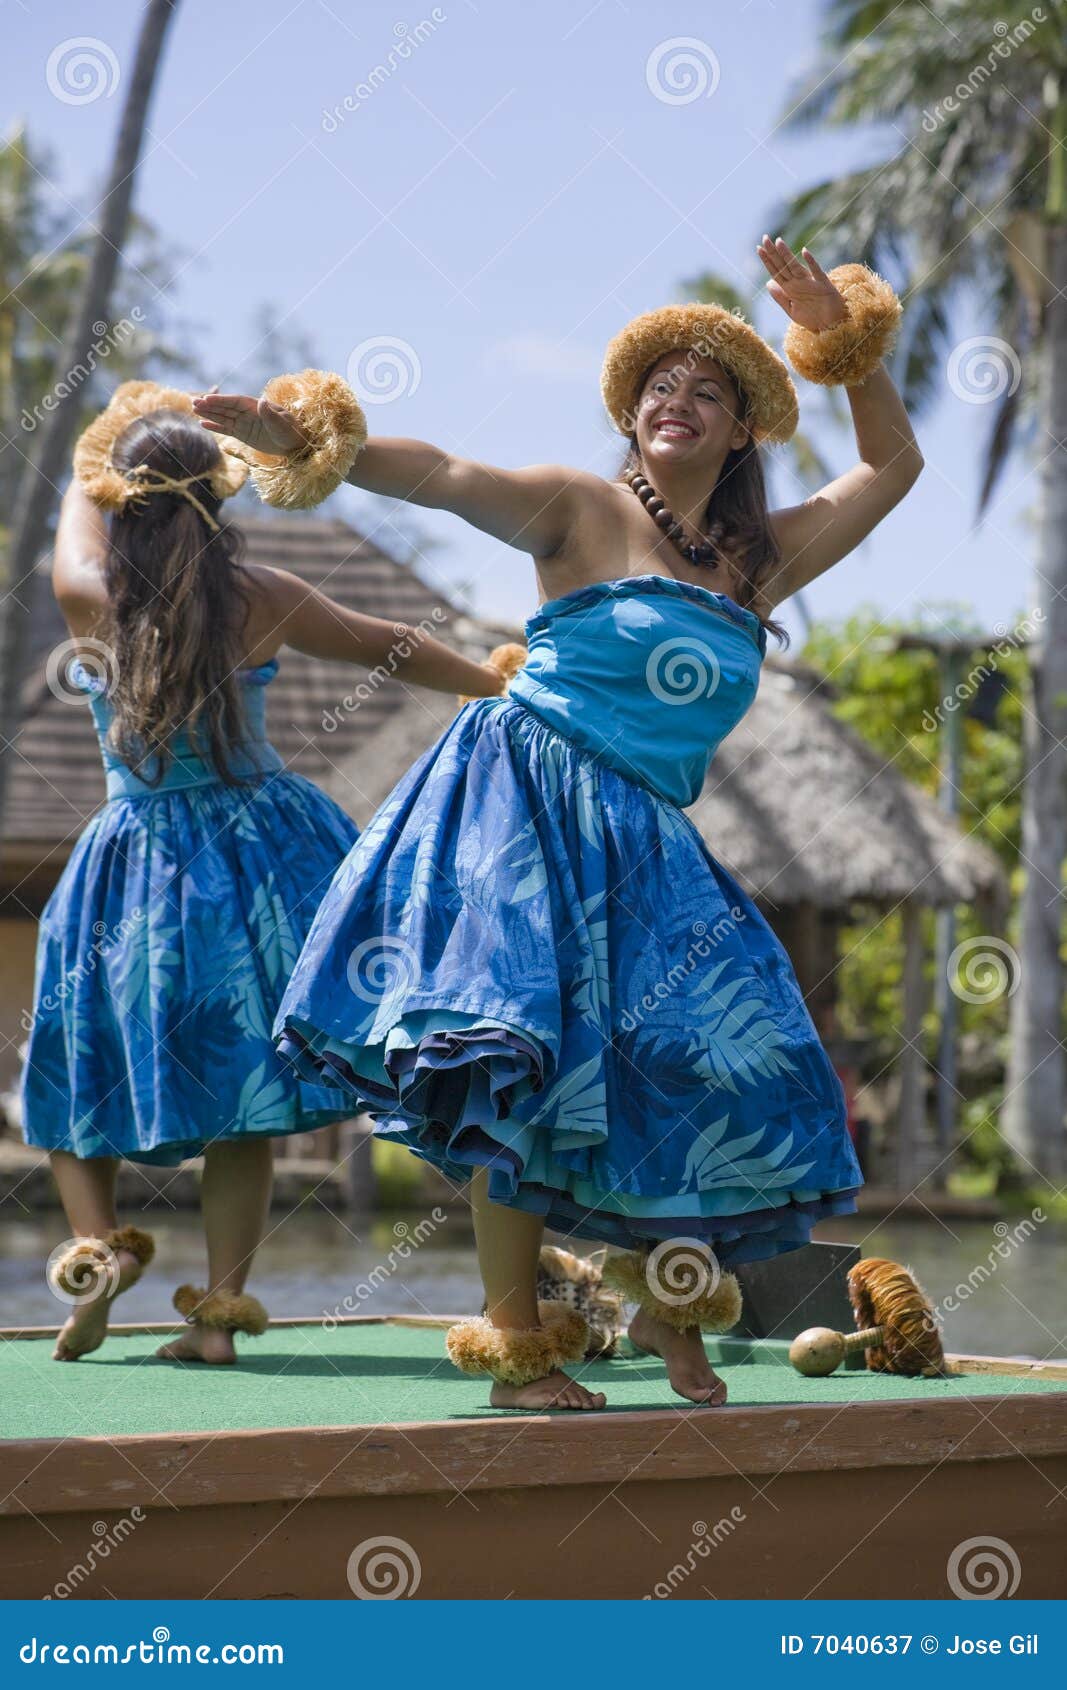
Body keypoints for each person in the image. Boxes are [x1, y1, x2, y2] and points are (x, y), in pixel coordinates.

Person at [195, 237, 922, 1410]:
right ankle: (514, 1347)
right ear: (630, 419)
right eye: (656, 387)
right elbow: (440, 472)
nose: (673, 401)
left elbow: (890, 464)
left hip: (645, 836)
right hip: (521, 800)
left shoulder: (753, 561)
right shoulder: (577, 509)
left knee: (713, 1059)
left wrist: (841, 345)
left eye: (705, 391)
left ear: (742, 430)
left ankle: (668, 1309)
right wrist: (301, 440)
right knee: (519, 1068)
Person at [22, 375, 506, 1365]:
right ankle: (217, 1319)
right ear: (223, 498)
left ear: (124, 499)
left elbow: (80, 500)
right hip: (261, 853)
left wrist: (108, 436)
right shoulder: (261, 598)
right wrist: (493, 678)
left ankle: (93, 1247)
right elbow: (391, 644)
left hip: (135, 859)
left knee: (74, 1062)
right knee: (245, 1095)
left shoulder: (90, 594)